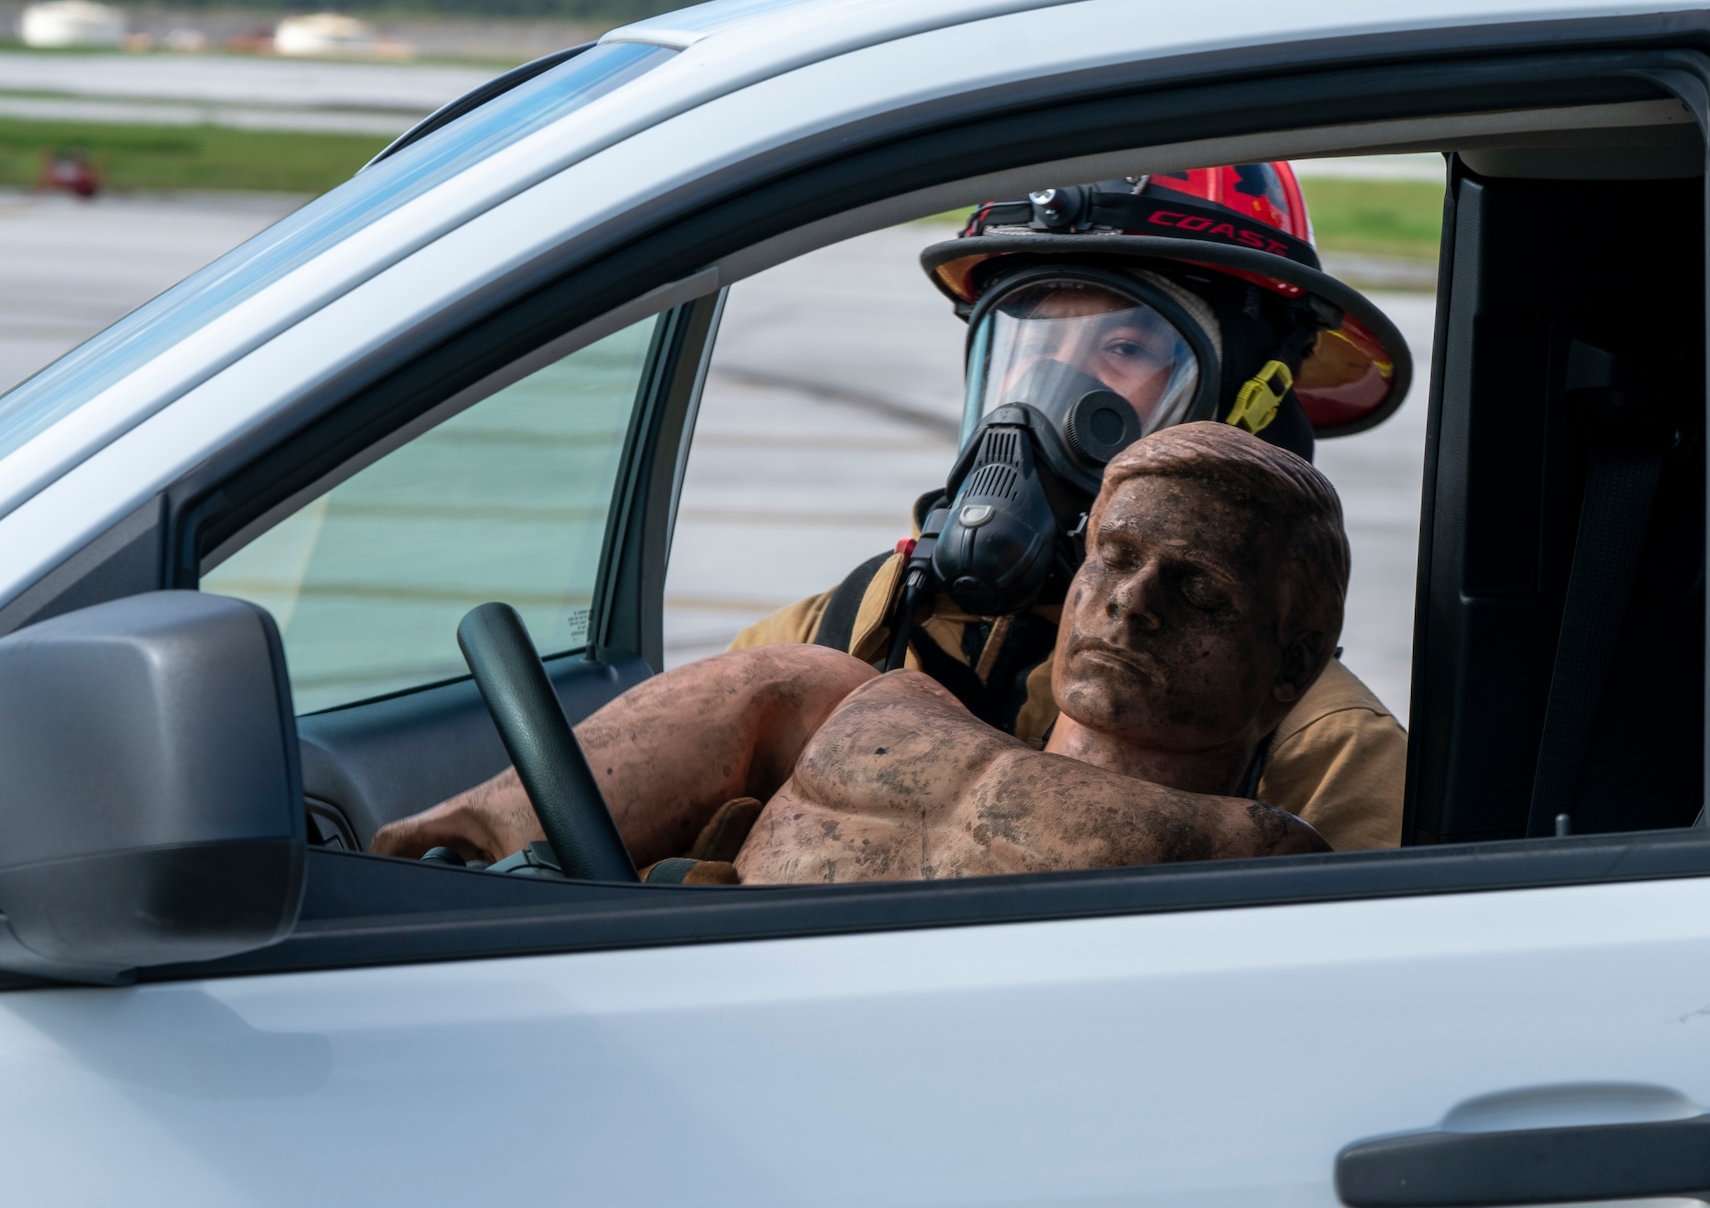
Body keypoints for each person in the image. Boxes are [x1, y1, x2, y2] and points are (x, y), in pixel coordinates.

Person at [732, 164, 1411, 851]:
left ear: (1245, 409)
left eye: (1123, 348)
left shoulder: (1325, 750)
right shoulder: (821, 639)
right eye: (1029, 343)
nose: (1045, 397)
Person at [373, 423, 1347, 882]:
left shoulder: (1256, 861)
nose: (1130, 603)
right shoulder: (856, 693)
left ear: (1287, 666)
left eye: (1197, 588)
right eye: (1116, 559)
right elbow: (430, 869)